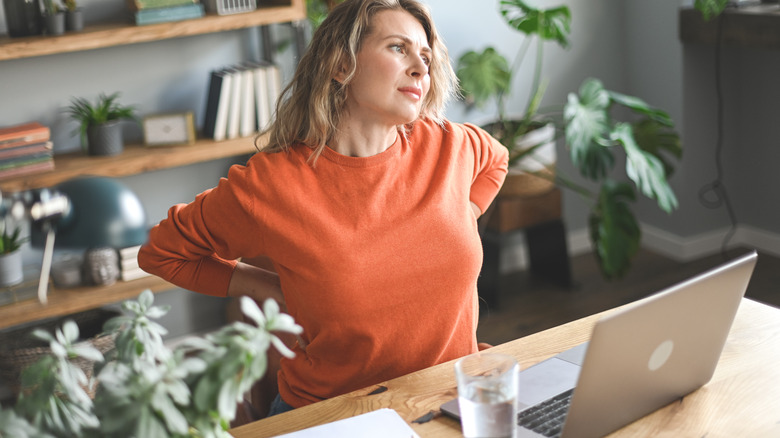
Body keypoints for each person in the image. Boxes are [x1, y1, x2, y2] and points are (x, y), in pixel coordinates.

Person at [138, 0, 508, 417]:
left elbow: (497, 160)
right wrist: (263, 286)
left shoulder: (450, 144)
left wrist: (463, 215)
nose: (421, 67)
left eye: (425, 55)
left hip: (448, 400)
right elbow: (162, 252)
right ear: (341, 65)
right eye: (397, 48)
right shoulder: (271, 184)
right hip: (333, 414)